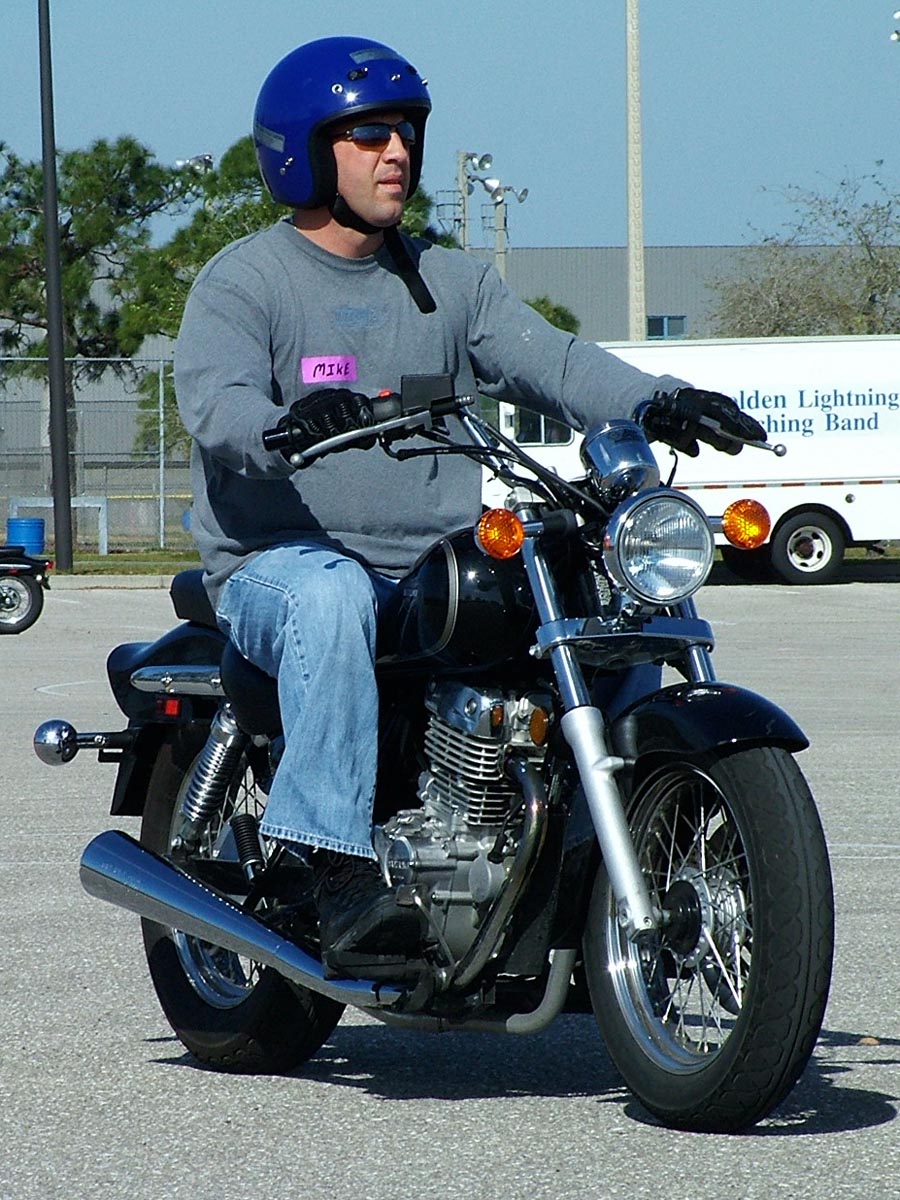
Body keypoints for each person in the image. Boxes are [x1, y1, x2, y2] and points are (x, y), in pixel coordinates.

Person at [174, 36, 765, 977]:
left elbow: (555, 361)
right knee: (333, 594)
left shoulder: (449, 282)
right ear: (304, 153)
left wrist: (660, 400)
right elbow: (217, 404)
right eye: (369, 135)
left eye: (405, 131)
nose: (397, 152)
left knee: (585, 586)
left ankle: (575, 853)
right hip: (280, 566)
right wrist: (284, 424)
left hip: (429, 561)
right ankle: (326, 863)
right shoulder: (248, 280)